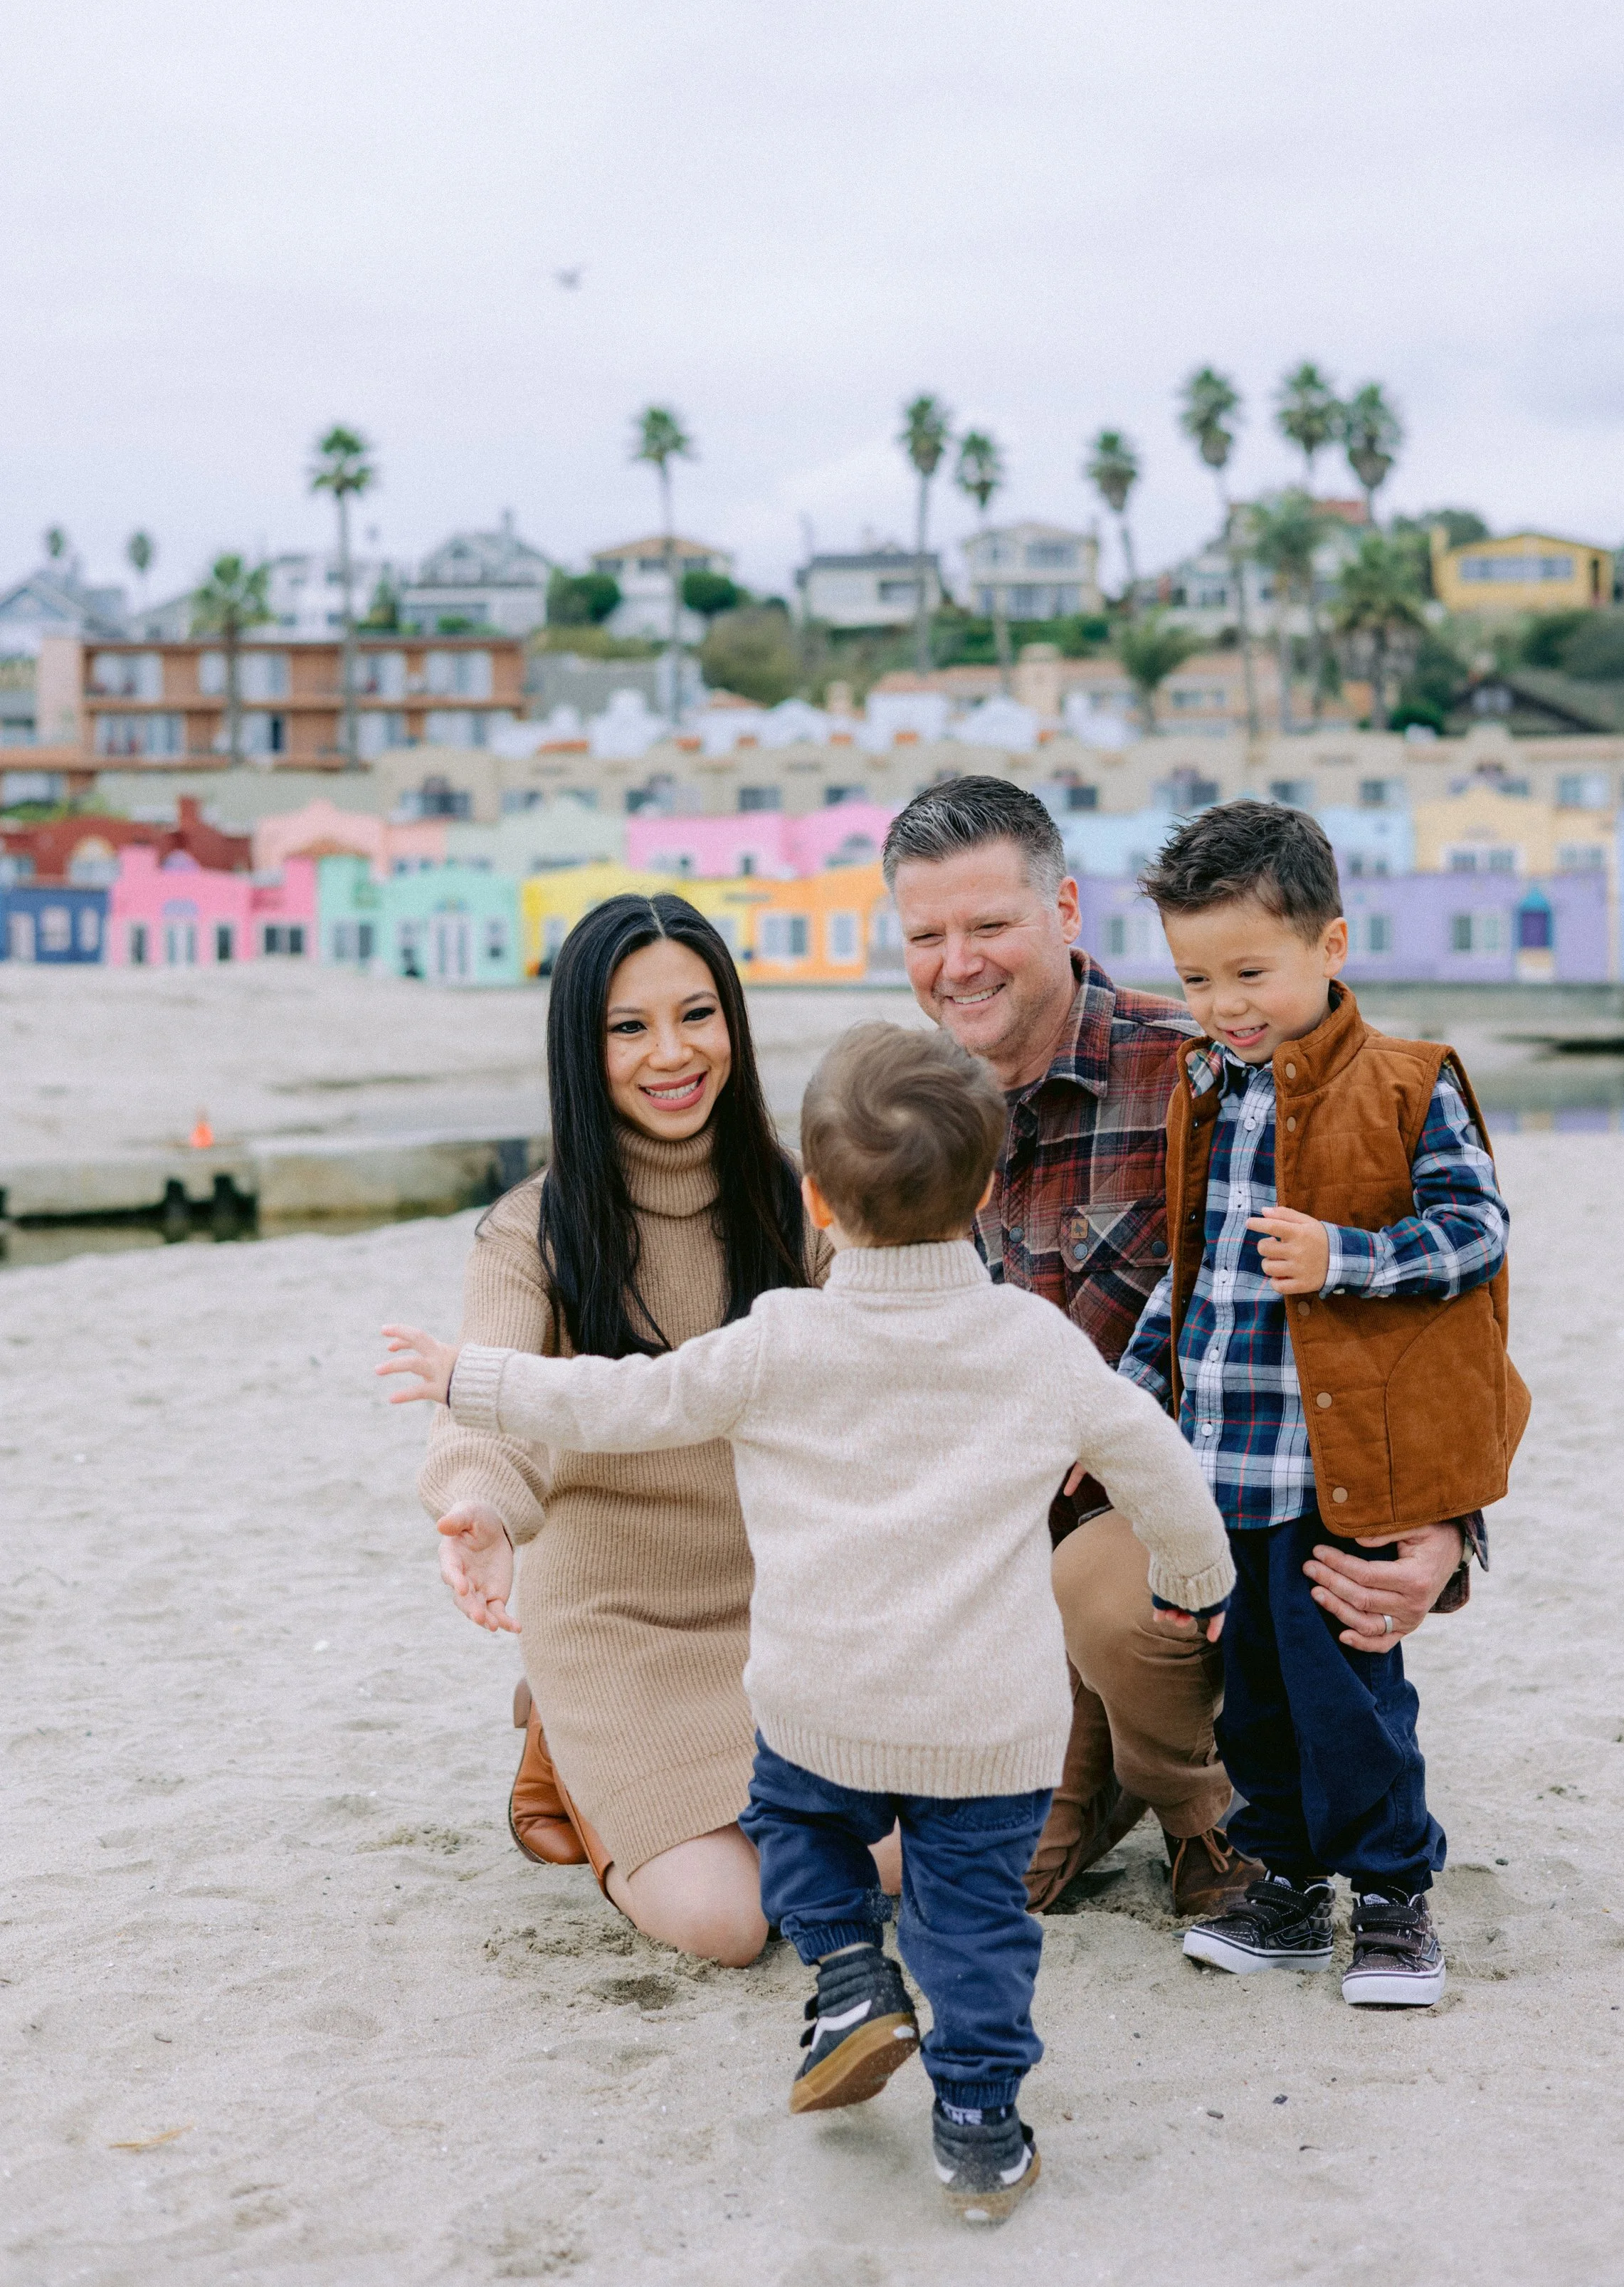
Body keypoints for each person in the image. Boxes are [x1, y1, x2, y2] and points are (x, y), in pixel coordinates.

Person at [383, 1021, 1232, 2223]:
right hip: (990, 1728)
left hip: (819, 1702)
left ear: (819, 1200)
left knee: (794, 1820)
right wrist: (1195, 1586)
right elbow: (1165, 1477)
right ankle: (981, 2123)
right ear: (987, 1191)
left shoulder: (786, 1337)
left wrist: (475, 1376)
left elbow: (629, 1398)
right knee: (975, 1923)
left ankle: (844, 1976)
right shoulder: (1037, 1348)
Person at [883, 777, 1475, 1920]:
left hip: (1178, 1534)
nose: (958, 963)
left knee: (1105, 1591)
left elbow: (1426, 1295)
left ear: (1063, 909)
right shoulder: (909, 1117)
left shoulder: (1210, 1070)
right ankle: (1103, 1763)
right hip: (1000, 1583)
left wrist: (1448, 1524)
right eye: (926, 935)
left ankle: (1212, 1816)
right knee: (1004, 1885)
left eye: (989, 924)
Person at [1122, 800, 1529, 2005]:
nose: (1224, 1003)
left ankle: (1397, 1905)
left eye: (1251, 970)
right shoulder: (1210, 1087)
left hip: (1338, 1469)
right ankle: (1291, 1891)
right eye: (1196, 977)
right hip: (1223, 1468)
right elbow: (1186, 1282)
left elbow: (1478, 1234)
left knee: (1349, 1696)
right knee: (1256, 1702)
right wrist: (1126, 1408)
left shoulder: (1408, 1084)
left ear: (1332, 946)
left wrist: (1345, 1256)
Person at [416, 889, 834, 1967]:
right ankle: (568, 1740)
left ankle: (608, 1765)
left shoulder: (798, 1205)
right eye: (629, 1027)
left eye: (698, 1014)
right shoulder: (533, 1231)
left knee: (899, 1859)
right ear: (582, 1046)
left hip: (780, 1605)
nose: (672, 1053)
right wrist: (480, 1509)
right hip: (614, 1613)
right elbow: (489, 1394)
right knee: (726, 1923)